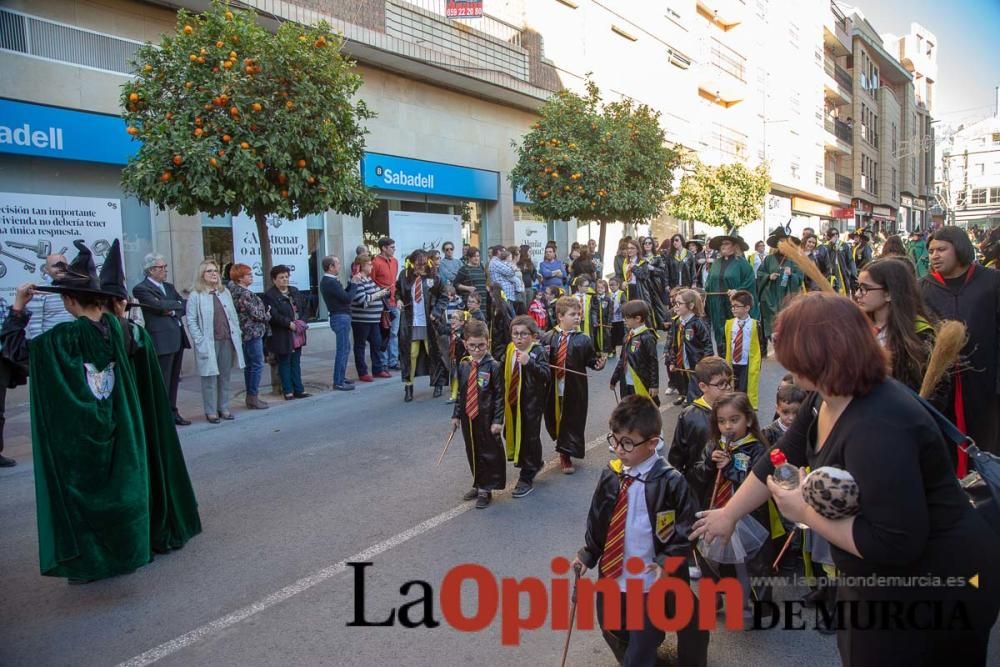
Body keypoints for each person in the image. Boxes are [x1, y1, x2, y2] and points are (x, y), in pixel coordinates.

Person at [692, 292, 1000, 663]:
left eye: (786, 347)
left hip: (931, 585)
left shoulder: (881, 423)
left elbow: (895, 543)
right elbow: (779, 456)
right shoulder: (824, 395)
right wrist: (729, 514)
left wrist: (802, 511)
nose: (777, 353)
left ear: (817, 356)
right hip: (873, 577)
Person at [5, 241, 201, 581]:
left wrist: (18, 310)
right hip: (126, 426)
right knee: (127, 488)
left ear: (68, 300)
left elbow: (17, 352)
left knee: (93, 497)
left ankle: (101, 557)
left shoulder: (64, 338)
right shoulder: (129, 331)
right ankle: (136, 545)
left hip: (84, 433)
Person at [572, 395, 709, 667]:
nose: (619, 449)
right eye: (615, 440)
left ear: (652, 443)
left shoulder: (670, 481)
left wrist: (666, 562)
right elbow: (599, 519)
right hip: (614, 574)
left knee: (644, 642)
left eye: (627, 443)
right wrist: (588, 552)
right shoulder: (612, 475)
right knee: (612, 628)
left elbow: (686, 528)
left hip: (652, 581)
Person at [920, 226, 1000, 458]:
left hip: (985, 380)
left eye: (942, 249)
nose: (934, 255)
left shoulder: (992, 283)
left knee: (986, 443)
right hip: (942, 384)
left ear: (961, 249)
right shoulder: (923, 288)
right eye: (931, 250)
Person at [691, 391, 771, 619]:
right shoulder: (714, 444)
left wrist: (729, 468)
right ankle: (711, 600)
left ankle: (744, 606)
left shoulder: (756, 448)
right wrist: (709, 462)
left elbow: (757, 484)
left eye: (734, 420)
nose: (727, 426)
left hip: (744, 517)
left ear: (748, 419)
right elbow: (698, 477)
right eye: (722, 421)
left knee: (743, 563)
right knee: (706, 557)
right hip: (715, 510)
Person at [855, 258, 938, 397]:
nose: (857, 294)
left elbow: (932, 389)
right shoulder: (859, 327)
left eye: (865, 289)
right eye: (857, 287)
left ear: (889, 294)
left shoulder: (919, 334)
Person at [542, 296, 607, 474]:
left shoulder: (583, 339)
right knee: (554, 419)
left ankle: (565, 453)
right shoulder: (548, 337)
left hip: (575, 388)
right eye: (573, 314)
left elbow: (591, 360)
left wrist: (598, 365)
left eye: (579, 314)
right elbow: (541, 362)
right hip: (553, 388)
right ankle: (561, 444)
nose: (577, 317)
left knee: (571, 420)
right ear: (561, 316)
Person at [451, 319, 505, 510]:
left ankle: (486, 488)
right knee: (472, 450)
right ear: (465, 344)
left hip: (487, 418)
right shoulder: (464, 365)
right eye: (472, 345)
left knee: (487, 452)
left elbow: (500, 395)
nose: (476, 349)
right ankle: (478, 481)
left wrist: (498, 420)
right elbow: (461, 393)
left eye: (481, 345)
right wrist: (456, 415)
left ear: (487, 343)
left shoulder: (494, 366)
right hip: (469, 417)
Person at [133, 253, 192, 426]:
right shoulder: (141, 288)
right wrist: (172, 305)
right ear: (151, 270)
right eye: (161, 267)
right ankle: (161, 415)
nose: (165, 270)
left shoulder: (169, 286)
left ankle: (173, 411)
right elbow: (157, 306)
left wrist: (172, 309)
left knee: (174, 379)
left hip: (177, 337)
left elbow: (183, 304)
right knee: (163, 380)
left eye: (165, 267)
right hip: (161, 340)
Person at [186, 260, 245, 423]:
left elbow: (233, 315)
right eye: (209, 271)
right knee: (210, 378)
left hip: (226, 339)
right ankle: (211, 411)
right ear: (201, 275)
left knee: (225, 376)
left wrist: (237, 332)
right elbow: (191, 320)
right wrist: (199, 340)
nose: (214, 274)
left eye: (216, 271)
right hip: (209, 342)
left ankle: (224, 408)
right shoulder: (196, 295)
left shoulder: (224, 292)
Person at [503, 315, 551, 498]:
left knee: (529, 437)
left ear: (533, 335)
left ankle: (527, 474)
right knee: (514, 432)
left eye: (524, 334)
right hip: (513, 400)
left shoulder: (537, 351)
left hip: (531, 403)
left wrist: (529, 363)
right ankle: (536, 462)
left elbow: (546, 374)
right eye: (515, 334)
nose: (519, 338)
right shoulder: (510, 349)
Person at [398, 249, 447, 402]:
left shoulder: (435, 277)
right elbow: (397, 290)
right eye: (417, 265)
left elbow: (444, 296)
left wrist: (437, 312)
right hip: (410, 321)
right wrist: (398, 299)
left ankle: (438, 383)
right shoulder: (405, 276)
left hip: (429, 321)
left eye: (423, 265)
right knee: (410, 354)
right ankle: (408, 386)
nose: (420, 268)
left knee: (432, 352)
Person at [263, 265, 311, 400]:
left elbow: (304, 309)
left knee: (296, 362)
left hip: (298, 332)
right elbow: (273, 315)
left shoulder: (294, 291)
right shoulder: (270, 295)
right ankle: (288, 390)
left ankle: (299, 389)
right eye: (281, 277)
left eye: (286, 277)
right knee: (285, 362)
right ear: (274, 280)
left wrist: (302, 321)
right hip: (283, 334)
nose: (285, 280)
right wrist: (288, 324)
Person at [227, 264, 271, 408]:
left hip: (245, 332)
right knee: (256, 364)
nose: (251, 276)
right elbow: (256, 314)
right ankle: (253, 396)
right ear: (240, 278)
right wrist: (267, 314)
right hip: (251, 332)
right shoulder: (244, 293)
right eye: (248, 274)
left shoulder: (233, 291)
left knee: (250, 366)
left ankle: (251, 396)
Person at [704, 231, 757, 347]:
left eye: (726, 243)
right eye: (721, 244)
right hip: (716, 303)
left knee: (734, 332)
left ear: (735, 246)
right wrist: (703, 292)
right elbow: (709, 281)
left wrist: (737, 290)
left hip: (734, 304)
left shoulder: (742, 264)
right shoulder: (716, 263)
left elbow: (750, 281)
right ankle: (723, 359)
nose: (722, 246)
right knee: (719, 332)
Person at [665, 289, 712, 406]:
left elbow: (707, 345)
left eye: (679, 303)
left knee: (694, 383)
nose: (676, 306)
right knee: (682, 379)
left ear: (691, 305)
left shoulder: (698, 323)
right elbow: (674, 344)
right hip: (681, 359)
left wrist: (704, 363)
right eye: (675, 303)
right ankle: (684, 394)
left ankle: (694, 400)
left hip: (695, 362)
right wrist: (672, 360)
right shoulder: (677, 322)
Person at [756, 227, 803, 342]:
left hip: (787, 296)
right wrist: (769, 276)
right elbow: (760, 273)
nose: (783, 244)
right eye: (781, 242)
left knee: (787, 322)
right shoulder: (769, 259)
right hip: (771, 297)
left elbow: (800, 278)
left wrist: (792, 274)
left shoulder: (794, 260)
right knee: (772, 324)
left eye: (786, 242)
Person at [609, 300, 659, 405]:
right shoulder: (628, 335)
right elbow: (623, 360)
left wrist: (654, 385)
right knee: (628, 408)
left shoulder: (648, 337)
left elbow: (653, 362)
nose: (624, 320)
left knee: (645, 408)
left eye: (627, 317)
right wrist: (614, 379)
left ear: (638, 318)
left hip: (641, 381)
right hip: (626, 382)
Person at [319, 255, 357, 392]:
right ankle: (338, 381)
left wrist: (351, 284)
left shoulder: (330, 281)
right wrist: (354, 285)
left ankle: (341, 376)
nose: (340, 266)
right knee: (342, 350)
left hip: (341, 316)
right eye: (338, 264)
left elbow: (342, 295)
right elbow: (347, 298)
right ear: (330, 267)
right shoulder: (330, 282)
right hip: (340, 316)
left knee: (346, 348)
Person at [350, 256, 389, 383]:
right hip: (361, 320)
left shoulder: (370, 280)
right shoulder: (357, 280)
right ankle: (363, 372)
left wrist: (382, 293)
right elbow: (362, 299)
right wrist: (380, 294)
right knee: (360, 345)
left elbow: (373, 295)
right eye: (369, 264)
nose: (372, 267)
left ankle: (377, 369)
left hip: (374, 319)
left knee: (376, 343)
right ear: (362, 266)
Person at [724, 290, 765, 410]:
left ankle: (744, 410)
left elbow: (760, 344)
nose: (733, 309)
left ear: (747, 308)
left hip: (746, 363)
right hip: (732, 362)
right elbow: (725, 343)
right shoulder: (729, 324)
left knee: (744, 388)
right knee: (732, 387)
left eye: (737, 306)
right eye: (732, 306)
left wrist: (758, 363)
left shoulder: (755, 325)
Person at [622, 238, 670, 330]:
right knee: (630, 313)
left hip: (641, 290)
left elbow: (644, 275)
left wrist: (634, 268)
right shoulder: (625, 262)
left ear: (637, 250)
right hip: (629, 290)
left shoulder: (642, 261)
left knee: (643, 313)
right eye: (628, 248)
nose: (629, 250)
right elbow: (621, 275)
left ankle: (649, 333)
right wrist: (622, 282)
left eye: (632, 248)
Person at [25, 252, 74, 338]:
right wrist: (40, 347)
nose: (60, 268)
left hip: (74, 342)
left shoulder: (76, 288)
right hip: (51, 345)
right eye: (55, 266)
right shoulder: (38, 290)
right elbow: (34, 325)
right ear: (46, 270)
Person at [371, 237, 400, 371]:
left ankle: (393, 361)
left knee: (394, 332)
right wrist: (381, 292)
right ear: (384, 248)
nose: (394, 249)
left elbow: (394, 281)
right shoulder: (375, 262)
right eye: (392, 247)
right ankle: (383, 362)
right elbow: (371, 281)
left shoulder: (395, 261)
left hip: (393, 301)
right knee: (384, 333)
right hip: (382, 303)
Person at [761, 382, 806, 455]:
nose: (791, 418)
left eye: (796, 413)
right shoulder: (769, 433)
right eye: (785, 412)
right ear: (777, 409)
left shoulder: (805, 431)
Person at [816, 227, 857, 295]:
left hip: (842, 271)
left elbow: (850, 260)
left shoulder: (844, 245)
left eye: (836, 234)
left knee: (842, 291)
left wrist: (853, 273)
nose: (835, 236)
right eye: (833, 234)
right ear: (829, 236)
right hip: (830, 272)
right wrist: (831, 245)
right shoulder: (825, 246)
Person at [606, 277, 625, 357]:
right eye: (610, 285)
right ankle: (612, 350)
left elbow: (624, 303)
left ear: (618, 285)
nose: (611, 287)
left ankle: (622, 351)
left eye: (613, 285)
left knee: (621, 334)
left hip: (620, 318)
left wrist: (621, 307)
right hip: (612, 319)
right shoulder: (609, 295)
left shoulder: (621, 293)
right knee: (612, 335)